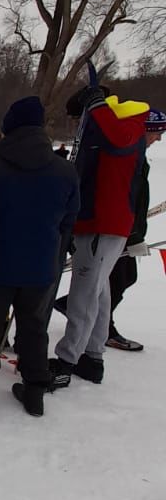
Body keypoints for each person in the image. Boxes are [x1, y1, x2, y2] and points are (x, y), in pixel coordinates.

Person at [0, 96, 79, 418]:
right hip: (41, 266)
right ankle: (35, 391)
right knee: (34, 328)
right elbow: (70, 219)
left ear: (9, 127)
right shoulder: (65, 172)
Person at [50, 86, 149, 387]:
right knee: (99, 291)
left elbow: (119, 140)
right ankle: (92, 356)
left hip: (102, 224)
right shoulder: (104, 131)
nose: (77, 123)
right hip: (95, 223)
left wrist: (97, 107)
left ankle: (68, 360)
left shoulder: (126, 124)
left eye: (78, 116)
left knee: (84, 292)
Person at [55, 106, 165, 352]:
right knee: (102, 284)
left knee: (114, 281)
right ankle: (79, 351)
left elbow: (137, 198)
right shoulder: (123, 151)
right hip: (107, 228)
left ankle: (94, 345)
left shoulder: (136, 155)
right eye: (156, 133)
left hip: (121, 228)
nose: (158, 139)